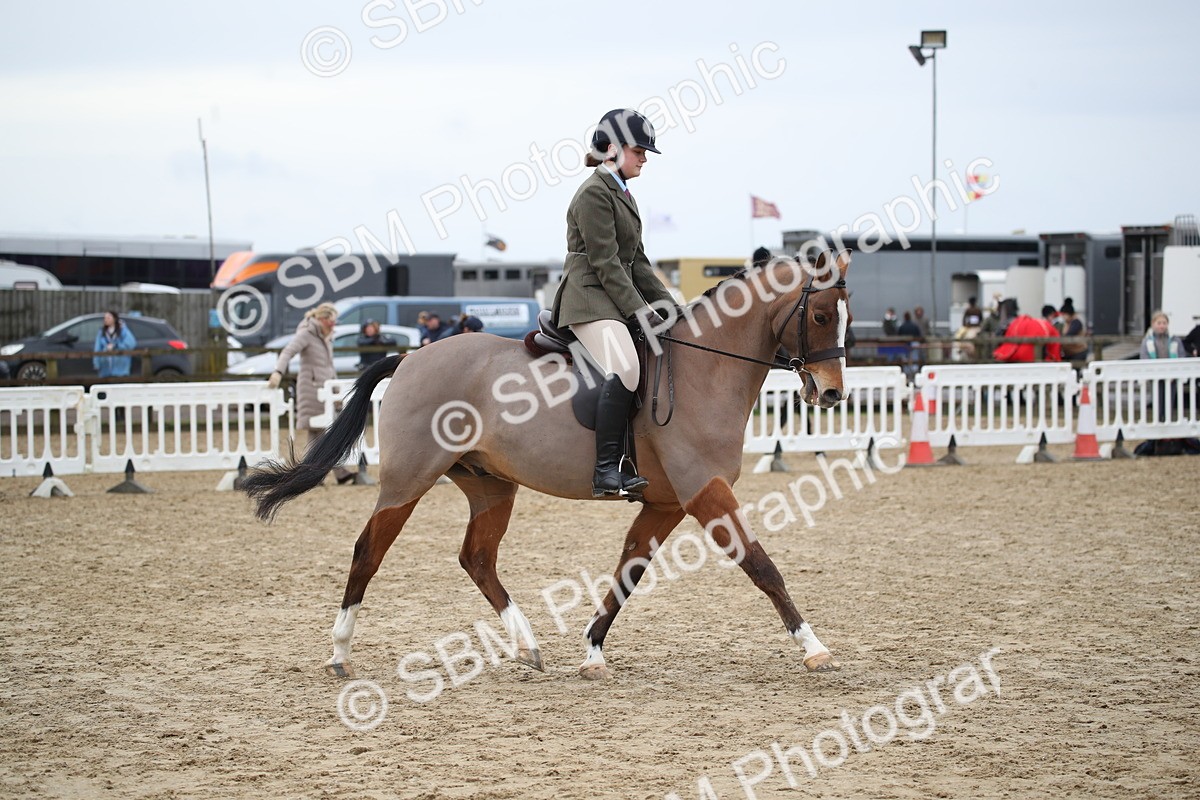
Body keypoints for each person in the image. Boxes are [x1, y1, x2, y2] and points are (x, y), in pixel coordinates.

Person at [550, 108, 676, 498]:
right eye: (639, 151)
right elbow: (605, 263)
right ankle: (606, 469)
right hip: (588, 299)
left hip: (611, 298)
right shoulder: (593, 194)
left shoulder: (623, 195)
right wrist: (640, 310)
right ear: (614, 149)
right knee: (625, 366)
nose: (643, 159)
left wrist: (671, 308)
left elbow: (637, 262)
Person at [268, 302, 354, 482]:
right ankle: (335, 472)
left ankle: (316, 474)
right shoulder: (306, 333)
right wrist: (278, 372)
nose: (333, 325)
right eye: (331, 321)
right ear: (322, 319)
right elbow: (288, 352)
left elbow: (329, 366)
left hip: (326, 389)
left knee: (319, 433)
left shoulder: (326, 336)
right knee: (325, 430)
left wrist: (337, 390)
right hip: (312, 390)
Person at [93, 310, 137, 378]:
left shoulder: (123, 330)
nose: (106, 320)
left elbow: (131, 344)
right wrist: (97, 363)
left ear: (114, 319)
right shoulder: (101, 332)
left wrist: (116, 346)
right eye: (105, 318)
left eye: (108, 318)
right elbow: (97, 348)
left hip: (120, 368)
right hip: (105, 368)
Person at [1058, 298, 1088, 364]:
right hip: (1069, 352)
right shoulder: (1066, 323)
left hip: (1078, 352)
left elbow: (1070, 334)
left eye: (1064, 315)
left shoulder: (1076, 322)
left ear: (1068, 314)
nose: (1063, 317)